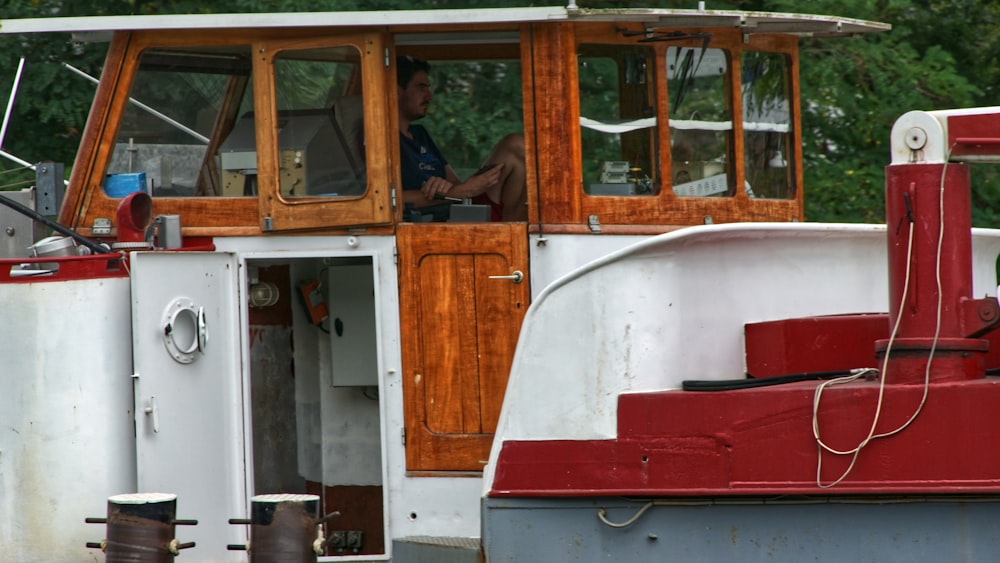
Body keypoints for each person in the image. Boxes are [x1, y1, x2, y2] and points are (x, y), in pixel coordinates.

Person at [396, 56, 527, 221]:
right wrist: (448, 193)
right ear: (397, 91)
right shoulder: (384, 141)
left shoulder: (419, 134)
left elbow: (456, 185)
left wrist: (448, 187)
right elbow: (383, 202)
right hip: (431, 224)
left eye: (428, 88)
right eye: (421, 87)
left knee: (516, 147)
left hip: (457, 210)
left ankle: (513, 236)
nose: (429, 96)